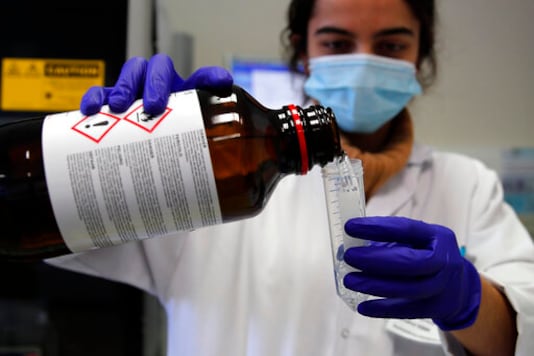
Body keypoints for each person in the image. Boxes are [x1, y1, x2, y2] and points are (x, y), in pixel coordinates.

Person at [48, 0, 534, 355]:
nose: (364, 60)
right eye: (337, 43)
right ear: (304, 52)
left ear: (420, 57)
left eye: (390, 44)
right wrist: (129, 153)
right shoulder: (225, 169)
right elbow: (58, 229)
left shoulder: (468, 185)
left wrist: (469, 298)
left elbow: (523, 332)